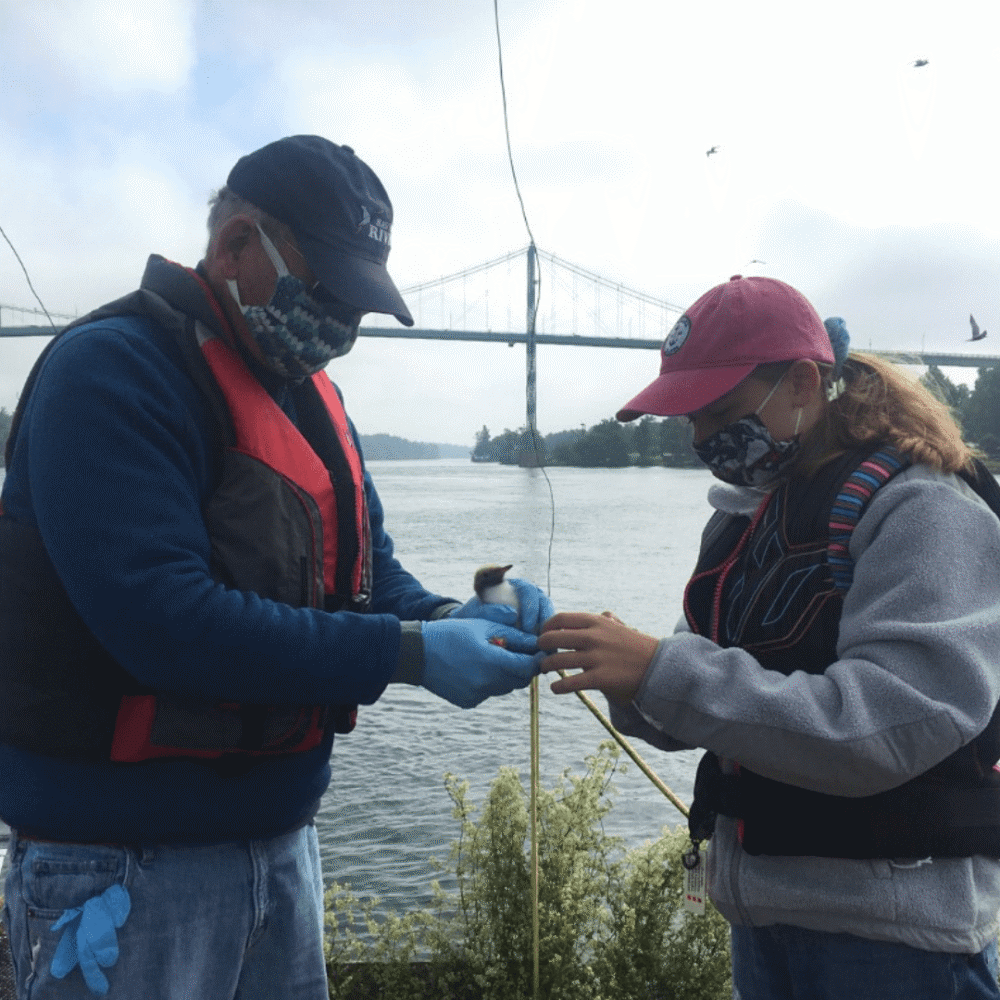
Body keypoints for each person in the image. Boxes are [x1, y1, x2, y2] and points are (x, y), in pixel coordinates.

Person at [0, 135, 551, 1000]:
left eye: (359, 307)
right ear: (233, 247)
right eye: (327, 293)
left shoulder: (311, 398)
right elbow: (164, 623)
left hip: (283, 853)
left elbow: (371, 581)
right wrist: (408, 657)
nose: (343, 328)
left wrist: (453, 617)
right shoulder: (107, 373)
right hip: (117, 872)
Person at [537, 274, 1000, 999]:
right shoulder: (743, 521)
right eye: (690, 420)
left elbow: (891, 724)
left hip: (898, 945)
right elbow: (705, 703)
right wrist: (625, 675)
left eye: (718, 412)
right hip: (765, 930)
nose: (700, 440)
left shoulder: (924, 508)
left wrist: (660, 670)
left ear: (803, 384)